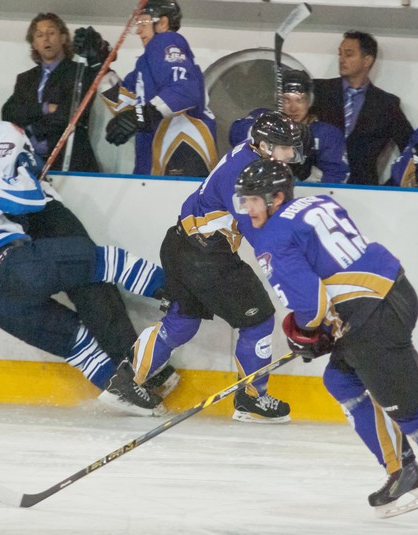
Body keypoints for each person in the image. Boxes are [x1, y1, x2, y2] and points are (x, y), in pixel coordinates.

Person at [233, 158, 418, 530]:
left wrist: (309, 332)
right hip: (395, 291)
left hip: (370, 319)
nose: (247, 208)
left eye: (252, 201)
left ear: (275, 198)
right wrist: (325, 330)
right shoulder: (317, 203)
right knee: (341, 381)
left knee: (416, 417)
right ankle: (402, 470)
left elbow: (313, 305)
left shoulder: (275, 235)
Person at [0, 74, 176, 415]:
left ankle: (142, 366)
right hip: (8, 235)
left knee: (92, 284)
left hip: (43, 213)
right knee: (67, 307)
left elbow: (2, 180)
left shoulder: (8, 131)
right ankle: (124, 376)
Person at [0, 156, 165, 408]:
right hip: (16, 267)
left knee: (81, 347)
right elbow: (28, 200)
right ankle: (181, 292)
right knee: (109, 261)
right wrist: (25, 174)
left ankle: (141, 406)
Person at [128, 111, 302, 423]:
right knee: (259, 320)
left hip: (179, 244)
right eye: (284, 147)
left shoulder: (250, 155)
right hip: (205, 257)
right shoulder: (247, 176)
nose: (290, 154)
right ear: (263, 145)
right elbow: (262, 239)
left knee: (182, 323)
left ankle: (127, 382)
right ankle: (252, 400)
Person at [103, 0, 217, 177]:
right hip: (159, 160)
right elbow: (124, 104)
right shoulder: (145, 63)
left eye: (143, 23)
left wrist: (144, 114)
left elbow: (185, 89)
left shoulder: (165, 41)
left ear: (162, 23)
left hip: (180, 155)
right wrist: (100, 67)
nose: (139, 31)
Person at [2, 13, 109, 172]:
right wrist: (44, 108)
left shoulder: (80, 72)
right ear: (34, 44)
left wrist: (31, 128)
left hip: (72, 162)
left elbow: (70, 114)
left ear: (64, 38)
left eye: (51, 33)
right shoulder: (25, 79)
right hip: (32, 165)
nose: (46, 38)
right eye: (39, 35)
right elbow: (9, 113)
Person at [309, 31, 412, 185]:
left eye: (349, 54)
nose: (342, 59)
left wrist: (391, 187)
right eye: (340, 54)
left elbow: (410, 148)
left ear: (367, 60)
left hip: (363, 189)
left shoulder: (386, 104)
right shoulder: (319, 90)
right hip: (317, 184)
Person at [228, 69, 349, 183]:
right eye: (286, 100)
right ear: (278, 101)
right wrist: (266, 131)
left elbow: (338, 176)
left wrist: (311, 182)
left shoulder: (327, 134)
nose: (293, 108)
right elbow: (235, 133)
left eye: (299, 100)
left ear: (310, 101)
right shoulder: (264, 118)